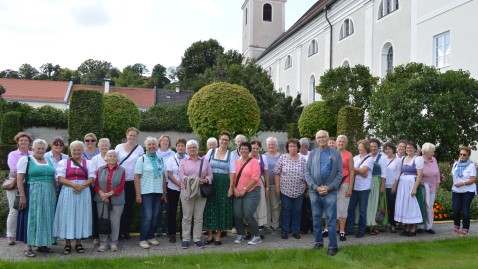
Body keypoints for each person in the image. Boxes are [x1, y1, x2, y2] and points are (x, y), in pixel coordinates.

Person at [53, 140, 96, 255]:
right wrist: (74, 185)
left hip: (83, 192)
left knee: (80, 216)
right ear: (70, 151)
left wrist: (81, 186)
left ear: (82, 151)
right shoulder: (63, 162)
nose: (76, 152)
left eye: (79, 150)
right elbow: (60, 178)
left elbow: (92, 177)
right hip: (68, 191)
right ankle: (67, 244)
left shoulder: (89, 163)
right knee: (67, 216)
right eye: (74, 150)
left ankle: (78, 243)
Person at [16, 139, 56, 257]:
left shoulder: (48, 159)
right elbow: (19, 179)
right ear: (33, 149)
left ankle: (42, 244)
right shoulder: (26, 160)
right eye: (38, 148)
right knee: (33, 218)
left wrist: (56, 191)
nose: (40, 150)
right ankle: (28, 247)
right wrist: (22, 196)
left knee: (46, 217)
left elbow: (53, 177)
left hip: (49, 193)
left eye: (43, 148)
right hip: (33, 192)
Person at [306, 130, 342, 256]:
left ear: (327, 138)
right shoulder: (312, 154)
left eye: (323, 137)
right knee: (316, 218)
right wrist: (315, 187)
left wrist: (330, 187)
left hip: (330, 191)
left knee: (331, 220)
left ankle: (333, 246)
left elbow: (339, 174)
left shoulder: (336, 153)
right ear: (316, 140)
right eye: (318, 137)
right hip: (315, 192)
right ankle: (318, 242)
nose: (321, 139)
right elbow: (307, 173)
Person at [134, 137, 167, 249]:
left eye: (153, 144)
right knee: (147, 216)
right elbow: (136, 177)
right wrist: (138, 194)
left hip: (158, 192)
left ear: (156, 146)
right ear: (146, 147)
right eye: (149, 144)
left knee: (154, 216)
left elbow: (163, 176)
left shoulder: (160, 159)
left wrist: (164, 192)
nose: (152, 146)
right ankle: (143, 239)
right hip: (146, 192)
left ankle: (150, 237)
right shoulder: (141, 159)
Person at [179, 140, 212, 249]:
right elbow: (181, 176)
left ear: (197, 149)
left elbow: (210, 175)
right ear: (187, 150)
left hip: (200, 192)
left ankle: (197, 238)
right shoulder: (183, 161)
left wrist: (206, 180)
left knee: (198, 217)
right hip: (187, 192)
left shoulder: (204, 161)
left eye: (194, 147)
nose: (192, 149)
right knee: (187, 217)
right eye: (189, 147)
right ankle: (186, 239)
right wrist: (193, 180)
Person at [203, 131, 235, 246]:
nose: (224, 141)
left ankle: (218, 236)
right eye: (222, 139)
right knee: (210, 208)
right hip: (211, 183)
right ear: (219, 140)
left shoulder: (231, 155)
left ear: (229, 142)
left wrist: (231, 187)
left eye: (226, 140)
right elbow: (205, 167)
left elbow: (232, 172)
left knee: (221, 208)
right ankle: (210, 235)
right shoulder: (211, 151)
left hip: (223, 184)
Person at [275, 138, 307, 240]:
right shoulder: (283, 157)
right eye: (290, 146)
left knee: (297, 211)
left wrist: (306, 188)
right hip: (285, 190)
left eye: (294, 146)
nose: (292, 148)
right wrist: (277, 187)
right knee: (286, 210)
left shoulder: (302, 159)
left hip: (299, 190)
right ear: (287, 148)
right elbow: (276, 172)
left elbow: (307, 174)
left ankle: (295, 231)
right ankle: (285, 231)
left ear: (298, 148)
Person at [94, 150, 126, 252]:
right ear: (106, 158)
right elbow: (95, 184)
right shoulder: (100, 169)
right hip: (101, 199)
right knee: (103, 221)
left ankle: (113, 243)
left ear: (117, 158)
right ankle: (103, 243)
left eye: (114, 156)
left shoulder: (122, 170)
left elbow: (121, 186)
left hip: (117, 200)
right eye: (110, 156)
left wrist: (108, 194)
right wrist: (102, 194)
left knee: (115, 222)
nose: (112, 158)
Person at [116, 127, 144, 240]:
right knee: (119, 207)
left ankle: (126, 231)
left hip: (133, 181)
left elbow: (142, 163)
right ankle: (118, 232)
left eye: (134, 136)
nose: (132, 137)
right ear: (126, 135)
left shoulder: (140, 148)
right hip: (120, 181)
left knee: (129, 207)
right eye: (130, 135)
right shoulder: (119, 147)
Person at [5, 132, 32, 246]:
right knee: (14, 210)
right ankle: (10, 235)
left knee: (27, 210)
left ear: (29, 142)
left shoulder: (33, 153)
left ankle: (24, 233)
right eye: (21, 140)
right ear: (17, 142)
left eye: (25, 140)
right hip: (15, 184)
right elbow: (14, 169)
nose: (23, 142)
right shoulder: (13, 154)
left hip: (29, 184)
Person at [233, 141, 262, 245]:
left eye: (246, 148)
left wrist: (244, 189)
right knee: (237, 214)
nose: (243, 150)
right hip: (238, 192)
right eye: (241, 148)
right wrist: (235, 189)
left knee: (248, 213)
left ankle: (256, 236)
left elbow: (255, 178)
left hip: (251, 191)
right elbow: (232, 177)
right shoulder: (235, 162)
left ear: (250, 150)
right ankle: (240, 234)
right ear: (239, 150)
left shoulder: (254, 162)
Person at [345, 139, 374, 239]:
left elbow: (362, 170)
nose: (359, 148)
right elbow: (352, 170)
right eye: (358, 146)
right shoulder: (356, 157)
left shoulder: (370, 159)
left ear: (365, 147)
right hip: (354, 187)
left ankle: (361, 231)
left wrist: (357, 170)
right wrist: (360, 172)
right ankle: (350, 229)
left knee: (362, 210)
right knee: (351, 209)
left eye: (360, 146)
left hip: (364, 188)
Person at [394, 142, 424, 236]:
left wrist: (415, 188)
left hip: (412, 183)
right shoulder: (404, 158)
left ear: (415, 149)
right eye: (407, 148)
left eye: (411, 148)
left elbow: (420, 175)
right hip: (403, 184)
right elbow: (400, 172)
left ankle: (413, 228)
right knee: (405, 205)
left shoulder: (418, 159)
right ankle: (407, 227)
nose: (409, 149)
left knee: (412, 206)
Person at [451, 147, 476, 236]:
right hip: (456, 190)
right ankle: (456, 225)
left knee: (465, 210)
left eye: (464, 154)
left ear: (468, 155)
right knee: (456, 209)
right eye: (460, 154)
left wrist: (462, 184)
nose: (462, 156)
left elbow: (473, 179)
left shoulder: (471, 166)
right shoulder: (456, 164)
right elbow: (453, 175)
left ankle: (465, 228)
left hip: (468, 191)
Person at [166, 138, 187, 243]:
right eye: (178, 145)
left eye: (182, 146)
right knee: (172, 211)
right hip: (173, 188)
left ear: (185, 147)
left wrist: (184, 185)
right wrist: (179, 184)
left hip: (186, 189)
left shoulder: (189, 158)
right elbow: (169, 174)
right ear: (176, 147)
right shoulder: (171, 159)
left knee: (185, 212)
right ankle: (172, 234)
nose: (180, 147)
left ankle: (184, 234)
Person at [367, 138, 387, 235]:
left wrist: (382, 186)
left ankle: (376, 225)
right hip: (367, 182)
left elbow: (384, 173)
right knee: (369, 204)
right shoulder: (367, 156)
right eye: (371, 146)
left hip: (377, 182)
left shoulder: (382, 158)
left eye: (375, 146)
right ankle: (368, 223)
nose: (373, 148)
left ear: (379, 148)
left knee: (377, 204)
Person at [336, 135, 354, 241]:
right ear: (336, 142)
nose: (341, 143)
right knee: (332, 207)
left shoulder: (349, 155)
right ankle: (330, 229)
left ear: (345, 143)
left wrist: (350, 187)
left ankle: (342, 231)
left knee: (343, 207)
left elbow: (352, 171)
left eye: (343, 142)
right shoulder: (331, 153)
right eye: (339, 141)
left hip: (345, 183)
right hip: (333, 184)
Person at [419, 143, 440, 234]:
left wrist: (438, 182)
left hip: (432, 187)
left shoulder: (434, 160)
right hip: (422, 187)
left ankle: (429, 226)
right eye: (432, 151)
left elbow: (437, 172)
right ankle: (420, 226)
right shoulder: (419, 160)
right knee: (421, 206)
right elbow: (417, 173)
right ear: (425, 152)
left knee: (429, 207)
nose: (433, 153)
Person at [156, 135, 175, 237]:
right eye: (163, 140)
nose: (165, 142)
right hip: (157, 183)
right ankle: (159, 228)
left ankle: (168, 228)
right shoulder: (155, 152)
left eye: (167, 141)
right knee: (158, 207)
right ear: (160, 142)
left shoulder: (173, 154)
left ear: (169, 143)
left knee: (169, 207)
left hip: (170, 183)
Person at [264, 136, 281, 236]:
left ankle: (275, 226)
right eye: (269, 144)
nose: (271, 146)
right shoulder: (263, 156)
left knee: (275, 206)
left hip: (276, 185)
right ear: (266, 145)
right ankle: (266, 225)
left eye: (273, 144)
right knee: (266, 206)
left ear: (276, 145)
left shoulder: (281, 156)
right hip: (265, 184)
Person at [250, 140, 268, 234]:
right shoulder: (246, 157)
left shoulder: (263, 157)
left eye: (257, 148)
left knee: (259, 205)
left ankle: (257, 231)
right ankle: (249, 231)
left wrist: (267, 188)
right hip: (248, 182)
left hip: (260, 182)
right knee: (249, 205)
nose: (255, 150)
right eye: (253, 148)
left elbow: (266, 173)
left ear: (260, 149)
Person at [383, 142, 401, 233]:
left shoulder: (398, 160)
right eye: (386, 149)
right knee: (384, 206)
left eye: (389, 149)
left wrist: (394, 186)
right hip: (383, 186)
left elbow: (398, 174)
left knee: (392, 205)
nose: (387, 150)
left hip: (391, 186)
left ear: (393, 150)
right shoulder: (383, 159)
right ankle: (384, 223)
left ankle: (393, 224)